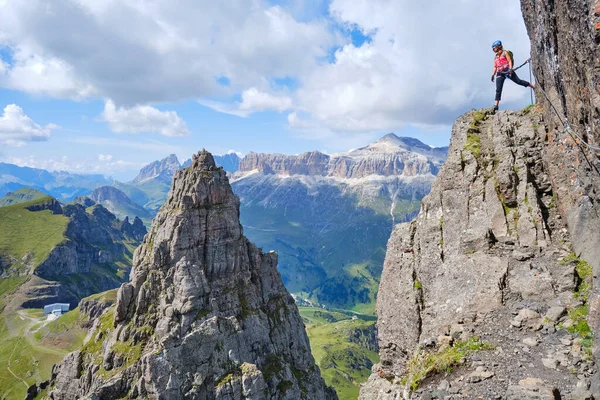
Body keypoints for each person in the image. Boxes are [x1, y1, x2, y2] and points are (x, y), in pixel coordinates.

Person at [491, 40, 535, 112]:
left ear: (498, 47)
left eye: (494, 47)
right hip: (500, 73)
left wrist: (511, 69)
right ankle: (496, 105)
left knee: (518, 81)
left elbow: (509, 61)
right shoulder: (495, 57)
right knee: (498, 89)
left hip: (508, 71)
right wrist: (493, 74)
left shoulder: (505, 53)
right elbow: (495, 66)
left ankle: (532, 86)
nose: (493, 49)